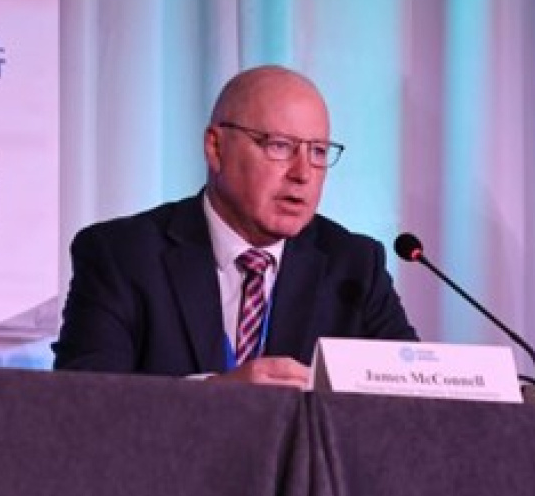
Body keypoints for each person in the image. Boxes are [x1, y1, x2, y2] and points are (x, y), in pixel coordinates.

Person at [53, 65, 417, 387]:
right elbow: (85, 403)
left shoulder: (354, 267)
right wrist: (214, 398)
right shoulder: (122, 256)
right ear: (216, 148)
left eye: (318, 152)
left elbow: (415, 402)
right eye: (280, 146)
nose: (303, 173)